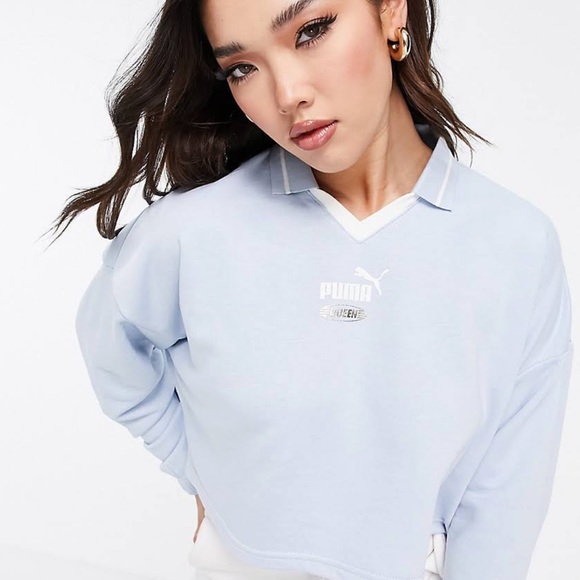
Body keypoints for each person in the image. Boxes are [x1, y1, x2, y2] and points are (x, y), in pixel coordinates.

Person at [46, 0, 574, 579]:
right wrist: (200, 471)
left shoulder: (513, 244)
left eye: (311, 31)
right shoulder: (192, 230)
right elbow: (112, 348)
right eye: (242, 68)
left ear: (390, 12)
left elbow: (507, 492)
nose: (288, 94)